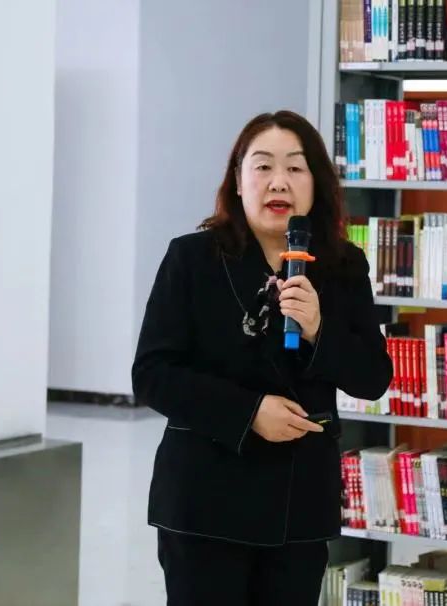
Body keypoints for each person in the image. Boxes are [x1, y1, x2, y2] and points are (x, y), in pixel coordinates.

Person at [132, 110, 393, 605]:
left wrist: (318, 330)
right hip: (206, 500)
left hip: (299, 507)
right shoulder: (192, 258)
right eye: (263, 166)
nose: (279, 182)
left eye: (295, 167)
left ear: (316, 183)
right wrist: (249, 412)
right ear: (237, 181)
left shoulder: (343, 265)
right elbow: (152, 375)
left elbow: (372, 377)